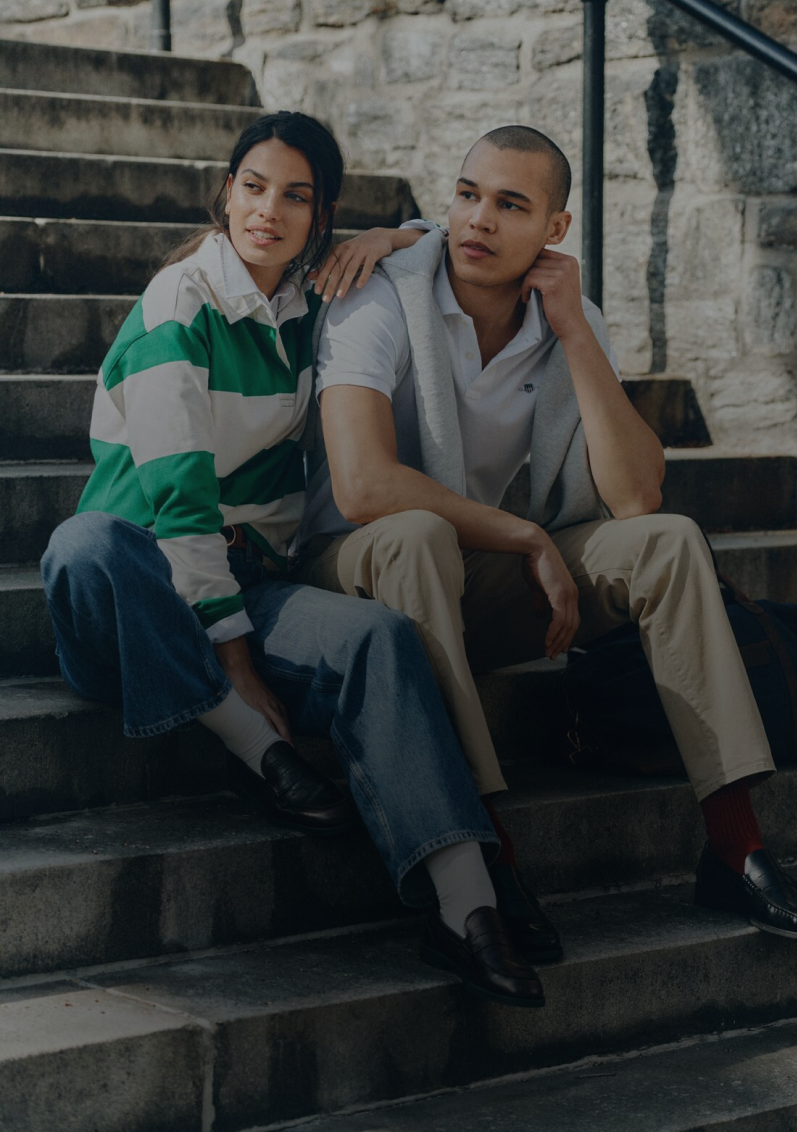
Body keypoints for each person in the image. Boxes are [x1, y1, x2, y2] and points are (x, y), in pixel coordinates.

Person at [40, 112, 545, 1009]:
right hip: (136, 598)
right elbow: (181, 500)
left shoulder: (318, 302)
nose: (269, 210)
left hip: (252, 580)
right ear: (225, 192)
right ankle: (252, 743)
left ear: (323, 216)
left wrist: (393, 236)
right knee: (83, 546)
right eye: (254, 186)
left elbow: (446, 236)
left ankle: (466, 908)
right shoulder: (177, 302)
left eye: (296, 196)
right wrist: (237, 663)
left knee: (380, 640)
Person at [293, 124, 797, 943]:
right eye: (468, 194)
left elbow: (635, 495)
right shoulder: (378, 296)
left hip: (484, 583)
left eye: (511, 205)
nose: (479, 220)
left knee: (670, 540)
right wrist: (526, 536)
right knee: (414, 534)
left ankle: (736, 846)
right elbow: (363, 485)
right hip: (361, 576)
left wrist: (578, 334)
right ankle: (486, 852)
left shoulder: (567, 314)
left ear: (555, 230)